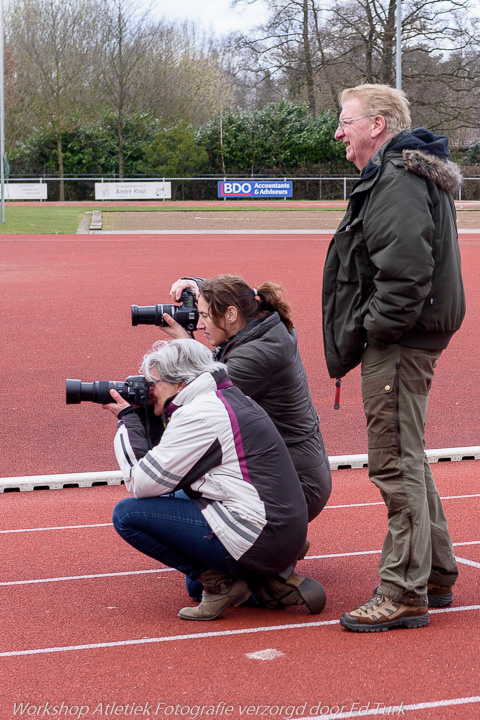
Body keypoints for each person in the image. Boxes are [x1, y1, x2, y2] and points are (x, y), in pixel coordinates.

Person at [322, 84, 465, 632]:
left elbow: (405, 272)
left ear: (377, 125)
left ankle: (403, 589)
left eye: (345, 121)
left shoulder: (397, 178)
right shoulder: (403, 173)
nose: (339, 132)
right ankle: (434, 573)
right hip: (409, 336)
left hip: (401, 342)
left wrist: (376, 330)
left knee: (393, 460)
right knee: (407, 452)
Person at [103, 338, 327, 620]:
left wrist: (126, 421)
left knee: (127, 515)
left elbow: (140, 482)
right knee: (193, 582)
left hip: (263, 536)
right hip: (281, 530)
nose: (149, 389)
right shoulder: (226, 396)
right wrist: (148, 417)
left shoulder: (200, 415)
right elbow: (170, 469)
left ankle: (237, 584)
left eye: (154, 382)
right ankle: (266, 581)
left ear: (180, 383)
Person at [164, 274, 331, 524]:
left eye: (205, 316)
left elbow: (199, 399)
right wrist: (197, 284)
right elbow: (236, 294)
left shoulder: (257, 355)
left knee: (163, 506)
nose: (199, 325)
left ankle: (277, 543)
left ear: (231, 315)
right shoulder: (262, 326)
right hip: (290, 473)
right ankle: (279, 540)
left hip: (295, 488)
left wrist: (185, 345)